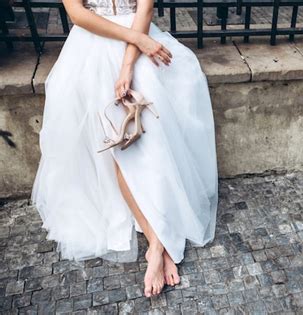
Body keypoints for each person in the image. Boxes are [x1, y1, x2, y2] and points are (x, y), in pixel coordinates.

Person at [30, 0, 219, 298]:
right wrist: (137, 39)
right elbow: (78, 14)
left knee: (152, 131)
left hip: (138, 38)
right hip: (93, 43)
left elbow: (144, 10)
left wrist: (128, 64)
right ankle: (157, 242)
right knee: (117, 142)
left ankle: (156, 242)